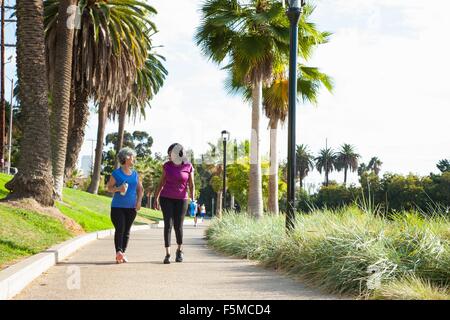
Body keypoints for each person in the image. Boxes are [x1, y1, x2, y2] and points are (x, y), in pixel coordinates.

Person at [154, 143, 195, 264]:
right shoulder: (167, 166)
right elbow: (161, 182)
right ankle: (167, 253)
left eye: (171, 154)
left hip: (182, 199)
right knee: (168, 224)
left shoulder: (188, 166)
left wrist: (193, 198)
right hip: (166, 197)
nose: (169, 156)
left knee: (178, 226)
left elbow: (192, 184)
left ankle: (179, 250)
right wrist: (156, 198)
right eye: (169, 154)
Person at [106, 147, 143, 264]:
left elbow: (140, 189)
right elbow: (109, 188)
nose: (134, 159)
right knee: (120, 228)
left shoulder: (135, 174)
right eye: (132, 157)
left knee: (127, 231)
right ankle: (118, 252)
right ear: (126, 158)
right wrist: (118, 188)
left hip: (131, 208)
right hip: (117, 207)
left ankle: (123, 253)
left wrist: (139, 201)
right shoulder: (116, 173)